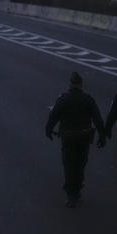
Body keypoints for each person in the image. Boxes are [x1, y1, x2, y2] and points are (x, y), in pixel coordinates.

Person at [45, 71, 105, 207]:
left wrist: (48, 130)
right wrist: (102, 135)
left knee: (68, 164)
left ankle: (70, 194)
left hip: (68, 137)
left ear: (70, 84)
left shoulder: (63, 99)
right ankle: (77, 189)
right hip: (84, 137)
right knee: (80, 164)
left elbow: (53, 116)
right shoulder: (88, 99)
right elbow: (97, 118)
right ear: (81, 85)